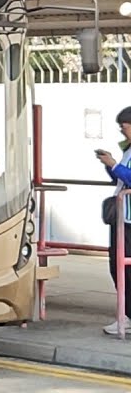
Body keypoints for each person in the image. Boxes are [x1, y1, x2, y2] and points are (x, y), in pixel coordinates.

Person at [95, 106, 131, 335]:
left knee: (123, 268)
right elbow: (120, 177)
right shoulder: (128, 149)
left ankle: (125, 316)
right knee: (118, 267)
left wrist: (114, 165)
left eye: (124, 126)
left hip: (128, 220)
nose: (122, 130)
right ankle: (125, 313)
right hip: (122, 217)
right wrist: (111, 166)